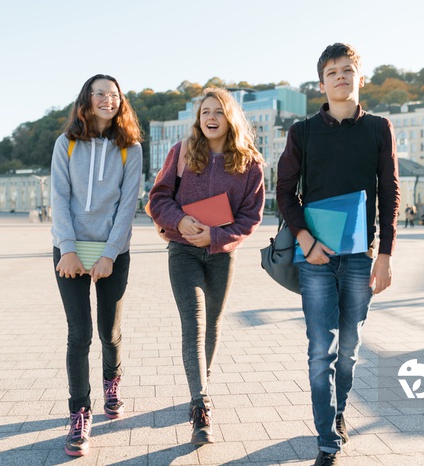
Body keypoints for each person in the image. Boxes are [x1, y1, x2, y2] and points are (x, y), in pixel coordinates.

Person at [276, 43, 400, 466]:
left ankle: (339, 413)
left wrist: (385, 254)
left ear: (359, 77)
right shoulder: (303, 131)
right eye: (332, 72)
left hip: (361, 257)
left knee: (348, 351)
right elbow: (284, 192)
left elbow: (389, 192)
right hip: (315, 257)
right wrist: (305, 240)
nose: (340, 77)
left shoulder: (380, 128)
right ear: (321, 83)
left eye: (347, 70)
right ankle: (327, 440)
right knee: (320, 350)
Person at [149, 87, 265, 446]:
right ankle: (200, 404)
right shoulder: (181, 153)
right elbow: (158, 198)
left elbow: (250, 218)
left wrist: (215, 237)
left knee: (212, 323)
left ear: (230, 117)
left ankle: (202, 383)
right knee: (194, 322)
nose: (211, 118)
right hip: (182, 252)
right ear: (198, 120)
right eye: (205, 113)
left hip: (221, 255)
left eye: (218, 111)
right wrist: (181, 222)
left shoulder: (250, 163)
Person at [50, 74, 142, 457]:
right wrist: (68, 249)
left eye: (115, 95)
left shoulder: (129, 148)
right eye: (100, 93)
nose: (108, 99)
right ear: (86, 100)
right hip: (70, 250)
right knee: (79, 334)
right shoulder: (66, 143)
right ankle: (79, 412)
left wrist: (109, 254)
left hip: (112, 252)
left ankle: (112, 382)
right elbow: (59, 196)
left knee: (109, 331)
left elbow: (128, 205)